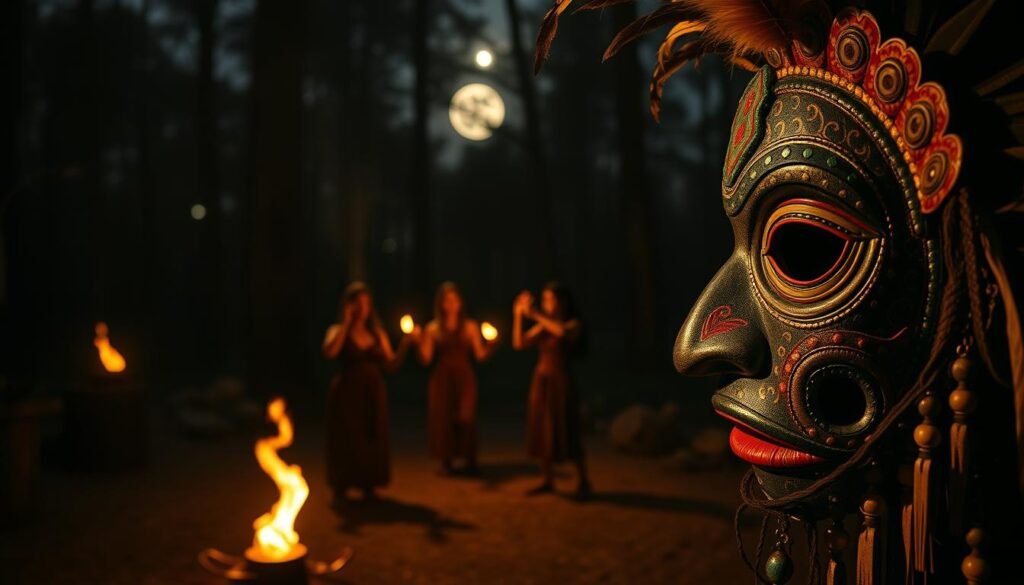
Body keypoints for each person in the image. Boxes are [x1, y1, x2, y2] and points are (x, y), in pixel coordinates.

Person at [322, 282, 413, 503]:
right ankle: (342, 483)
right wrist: (346, 323)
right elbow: (330, 352)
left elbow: (390, 364)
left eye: (366, 303)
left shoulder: (377, 333)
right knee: (347, 436)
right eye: (357, 303)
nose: (363, 308)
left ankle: (368, 483)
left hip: (372, 391)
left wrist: (405, 344)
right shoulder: (337, 330)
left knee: (371, 435)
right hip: (347, 392)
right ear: (348, 305)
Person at [512, 282, 591, 500]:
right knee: (541, 427)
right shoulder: (543, 325)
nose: (546, 303)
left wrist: (535, 313)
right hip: (541, 380)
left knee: (566, 426)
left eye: (550, 299)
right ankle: (547, 479)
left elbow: (562, 332)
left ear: (563, 302)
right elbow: (519, 343)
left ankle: (584, 480)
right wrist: (518, 315)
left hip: (561, 381)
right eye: (544, 299)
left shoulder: (572, 324)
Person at [417, 282, 496, 475]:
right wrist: (418, 341)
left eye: (455, 299)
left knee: (465, 416)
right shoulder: (433, 329)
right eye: (447, 300)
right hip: (442, 378)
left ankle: (470, 459)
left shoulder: (470, 327)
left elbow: (479, 355)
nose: (451, 304)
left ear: (460, 303)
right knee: (442, 417)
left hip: (464, 376)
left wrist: (491, 345)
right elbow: (426, 359)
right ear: (441, 304)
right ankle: (446, 460)